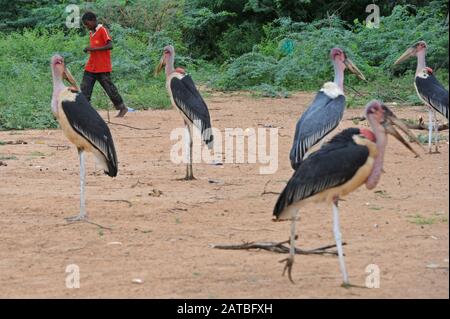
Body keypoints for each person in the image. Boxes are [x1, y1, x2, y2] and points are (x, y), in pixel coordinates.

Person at [80, 11, 128, 117]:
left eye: (87, 24)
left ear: (93, 20)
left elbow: (110, 45)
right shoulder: (91, 33)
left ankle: (122, 107)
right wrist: (90, 49)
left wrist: (93, 48)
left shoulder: (102, 30)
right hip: (91, 66)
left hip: (102, 67)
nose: (87, 26)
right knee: (85, 88)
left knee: (110, 89)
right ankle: (84, 110)